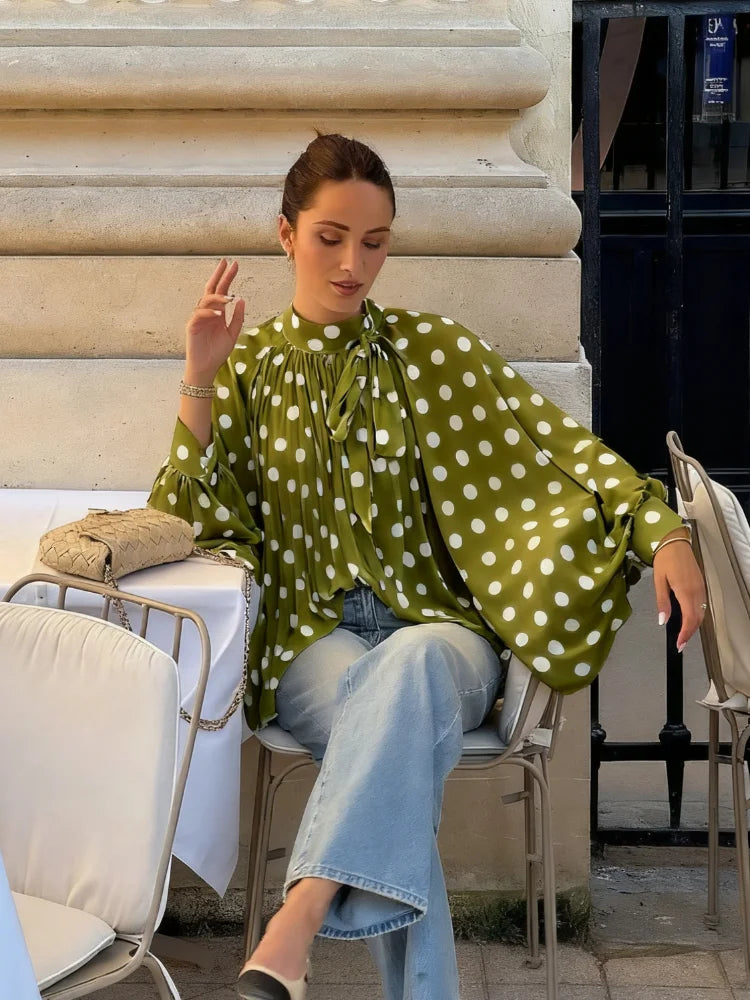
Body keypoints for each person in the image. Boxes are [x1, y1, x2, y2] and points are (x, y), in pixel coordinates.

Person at [148, 131, 707, 1000]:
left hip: (441, 634)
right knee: (391, 762)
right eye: (331, 237)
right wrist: (199, 379)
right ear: (286, 234)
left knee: (407, 669)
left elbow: (560, 452)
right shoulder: (246, 371)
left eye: (373, 243)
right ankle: (322, 947)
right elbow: (191, 524)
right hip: (312, 640)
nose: (352, 264)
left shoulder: (431, 353)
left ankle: (294, 924)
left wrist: (660, 529)